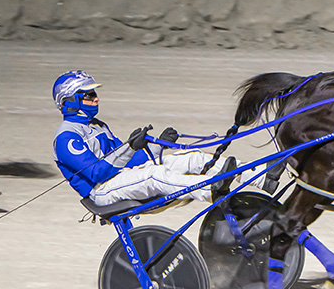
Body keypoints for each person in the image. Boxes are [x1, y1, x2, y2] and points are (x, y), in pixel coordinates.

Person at [51, 70, 251, 206]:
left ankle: (261, 176)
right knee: (154, 175)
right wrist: (130, 147)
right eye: (89, 95)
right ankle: (208, 189)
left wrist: (160, 146)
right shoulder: (66, 138)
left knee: (191, 157)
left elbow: (127, 161)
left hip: (119, 178)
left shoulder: (98, 126)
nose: (96, 98)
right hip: (102, 191)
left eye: (94, 93)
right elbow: (96, 174)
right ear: (71, 101)